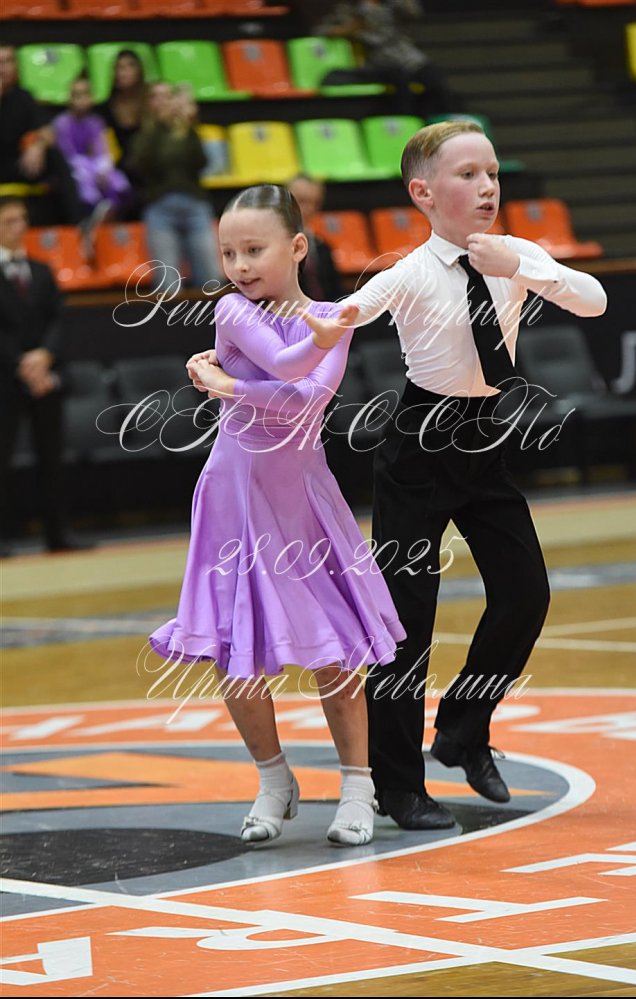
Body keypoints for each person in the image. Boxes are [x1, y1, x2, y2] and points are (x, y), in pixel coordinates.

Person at [300, 120, 607, 830]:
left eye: (491, 172)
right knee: (406, 623)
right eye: (467, 174)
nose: (487, 186)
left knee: (525, 592)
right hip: (417, 448)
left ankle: (465, 728)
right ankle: (398, 786)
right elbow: (341, 317)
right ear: (424, 194)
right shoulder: (410, 271)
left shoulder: (517, 254)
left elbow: (592, 299)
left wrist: (520, 265)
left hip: (485, 440)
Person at [147, 184, 406, 847]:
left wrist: (230, 385)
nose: (239, 265)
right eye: (228, 252)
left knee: (335, 645)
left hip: (302, 501)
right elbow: (290, 367)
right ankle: (273, 779)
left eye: (253, 250)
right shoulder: (233, 309)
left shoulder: (332, 314)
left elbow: (306, 399)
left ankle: (358, 786)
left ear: (296, 246)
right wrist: (274, 366)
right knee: (233, 648)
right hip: (233, 495)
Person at [0, 196, 94, 556]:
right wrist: (21, 362)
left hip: (45, 376)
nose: (19, 226)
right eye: (9, 220)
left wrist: (44, 356)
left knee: (52, 458)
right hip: (5, 378)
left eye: (22, 219)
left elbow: (58, 318)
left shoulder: (41, 270)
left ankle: (58, 533)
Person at [127, 81, 222, 290]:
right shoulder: (143, 136)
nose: (162, 101)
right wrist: (157, 127)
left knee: (211, 277)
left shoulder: (186, 132)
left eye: (167, 96)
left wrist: (189, 126)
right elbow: (142, 165)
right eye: (156, 96)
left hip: (195, 204)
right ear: (148, 103)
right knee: (167, 283)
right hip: (159, 208)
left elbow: (201, 162)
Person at [315, 0, 460, 117]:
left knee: (434, 78)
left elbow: (413, 12)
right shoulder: (348, 9)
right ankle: (406, 122)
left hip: (407, 56)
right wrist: (349, 29)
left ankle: (443, 121)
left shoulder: (392, 5)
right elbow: (321, 30)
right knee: (400, 78)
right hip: (377, 61)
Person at [0, 46, 86, 226]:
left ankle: (78, 223)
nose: (3, 68)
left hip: (19, 166)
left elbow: (48, 131)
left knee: (55, 154)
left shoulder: (22, 96)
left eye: (7, 61)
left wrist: (37, 145)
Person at [53, 76, 132, 227]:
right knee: (84, 183)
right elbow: (67, 155)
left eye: (85, 94)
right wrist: (88, 168)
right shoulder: (61, 123)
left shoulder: (97, 122)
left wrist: (102, 169)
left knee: (116, 180)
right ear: (70, 98)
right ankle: (91, 217)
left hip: (95, 166)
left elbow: (103, 150)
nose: (81, 100)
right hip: (75, 169)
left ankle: (110, 212)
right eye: (77, 95)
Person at [288, 174, 344, 302]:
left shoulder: (322, 247)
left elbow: (335, 291)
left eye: (315, 203)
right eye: (302, 201)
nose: (309, 209)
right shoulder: (275, 246)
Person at [96, 49, 148, 181]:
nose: (123, 73)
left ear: (139, 71)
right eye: (119, 68)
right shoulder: (106, 108)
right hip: (119, 170)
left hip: (150, 166)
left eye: (130, 66)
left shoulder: (151, 103)